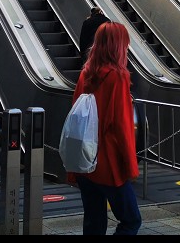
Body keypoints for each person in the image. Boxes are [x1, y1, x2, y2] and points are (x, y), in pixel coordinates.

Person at [67, 21, 142, 236]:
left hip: (85, 162)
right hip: (108, 164)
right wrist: (130, 166)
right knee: (131, 220)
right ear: (118, 46)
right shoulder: (118, 77)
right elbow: (122, 127)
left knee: (94, 223)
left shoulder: (85, 74)